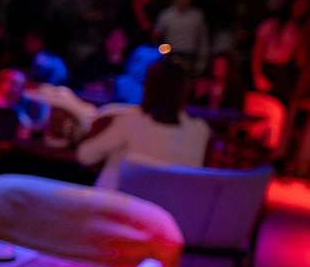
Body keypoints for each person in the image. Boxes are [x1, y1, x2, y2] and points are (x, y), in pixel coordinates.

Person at [77, 59, 211, 187]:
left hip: (121, 201)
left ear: (148, 87)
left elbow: (86, 156)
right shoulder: (201, 131)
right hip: (172, 202)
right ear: (184, 90)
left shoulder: (131, 120)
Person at [252, 0, 309, 102]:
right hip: (267, 68)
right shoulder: (270, 24)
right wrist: (257, 75)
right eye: (299, 5)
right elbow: (257, 51)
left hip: (283, 72)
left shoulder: (298, 30)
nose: (301, 9)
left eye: (304, 6)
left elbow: (298, 57)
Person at [152, 0, 209, 71]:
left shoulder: (197, 16)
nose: (184, 1)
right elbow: (156, 36)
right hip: (169, 55)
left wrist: (202, 60)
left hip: (189, 55)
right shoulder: (166, 15)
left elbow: (202, 39)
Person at [71, 25, 129, 103]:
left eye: (120, 39)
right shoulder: (93, 61)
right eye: (113, 38)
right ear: (106, 41)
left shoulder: (129, 66)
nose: (116, 43)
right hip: (92, 102)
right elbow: (75, 81)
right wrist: (88, 86)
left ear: (125, 42)